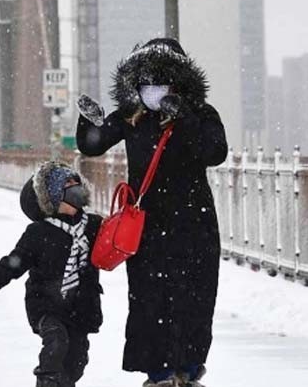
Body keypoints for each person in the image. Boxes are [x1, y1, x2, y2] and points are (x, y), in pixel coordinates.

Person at [76, 38, 228, 387]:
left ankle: (188, 371)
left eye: (160, 83)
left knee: (195, 297)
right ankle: (158, 373)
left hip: (194, 225)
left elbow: (214, 152)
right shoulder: (133, 117)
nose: (152, 90)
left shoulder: (201, 114)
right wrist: (88, 120)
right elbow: (93, 145)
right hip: (147, 226)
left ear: (179, 82)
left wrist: (184, 117)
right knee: (150, 300)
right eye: (146, 83)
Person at [0, 161, 104, 387]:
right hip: (46, 305)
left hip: (81, 308)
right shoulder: (39, 232)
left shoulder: (93, 225)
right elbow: (13, 264)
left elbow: (120, 243)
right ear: (52, 196)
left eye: (76, 182)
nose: (75, 188)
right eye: (67, 185)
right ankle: (46, 382)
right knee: (56, 342)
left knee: (76, 362)